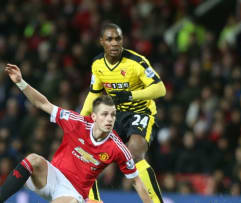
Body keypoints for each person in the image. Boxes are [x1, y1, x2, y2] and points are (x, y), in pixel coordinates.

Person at [0, 64, 153, 203]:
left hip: (73, 192)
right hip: (52, 176)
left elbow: (137, 182)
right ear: (93, 117)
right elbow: (43, 103)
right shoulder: (76, 122)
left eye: (113, 115)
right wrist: (20, 82)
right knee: (33, 159)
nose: (109, 119)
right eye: (104, 114)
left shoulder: (117, 147)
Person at [81, 22, 166, 202]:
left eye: (118, 38)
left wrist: (130, 95)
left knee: (133, 155)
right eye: (109, 39)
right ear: (102, 41)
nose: (114, 43)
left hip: (141, 112)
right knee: (86, 154)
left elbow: (160, 89)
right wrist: (79, 121)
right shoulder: (97, 64)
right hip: (116, 115)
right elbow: (93, 94)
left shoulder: (137, 62)